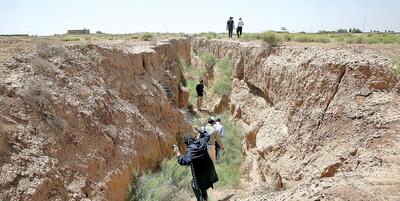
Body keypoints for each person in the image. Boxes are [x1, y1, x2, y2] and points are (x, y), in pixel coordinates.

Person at [174, 133, 219, 201]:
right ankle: (205, 199)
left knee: (195, 185)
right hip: (209, 172)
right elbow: (207, 135)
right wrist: (199, 130)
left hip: (199, 175)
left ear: (187, 143)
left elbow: (185, 162)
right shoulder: (202, 141)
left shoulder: (191, 150)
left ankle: (200, 199)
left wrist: (178, 153)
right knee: (202, 185)